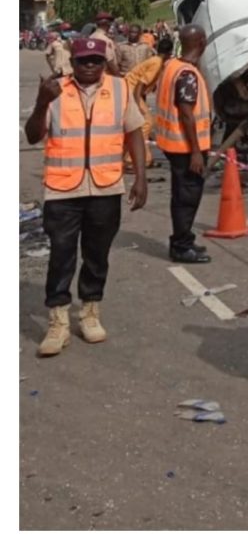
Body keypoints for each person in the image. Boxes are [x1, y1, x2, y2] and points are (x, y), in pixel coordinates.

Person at [24, 36, 148, 357]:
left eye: (96, 60)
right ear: (73, 62)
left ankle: (90, 312)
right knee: (62, 255)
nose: (90, 66)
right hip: (63, 189)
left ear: (104, 61)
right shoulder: (55, 90)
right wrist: (40, 102)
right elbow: (33, 135)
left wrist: (141, 178)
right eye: (83, 61)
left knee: (97, 253)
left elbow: (133, 131)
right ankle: (58, 321)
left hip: (106, 188)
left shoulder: (119, 89)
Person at [154, 24, 213, 263]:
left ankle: (184, 239)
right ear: (202, 43)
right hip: (185, 148)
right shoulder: (187, 75)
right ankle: (181, 245)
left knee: (181, 196)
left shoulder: (172, 66)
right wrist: (196, 152)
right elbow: (187, 113)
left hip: (172, 144)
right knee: (187, 198)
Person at [123, 37, 174, 168]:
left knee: (143, 124)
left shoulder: (155, 61)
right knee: (146, 123)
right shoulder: (157, 63)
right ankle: (131, 159)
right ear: (170, 53)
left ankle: (143, 157)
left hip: (129, 90)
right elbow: (140, 84)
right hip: (130, 91)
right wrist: (136, 106)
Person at [89, 11, 121, 75]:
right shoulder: (105, 40)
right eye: (109, 23)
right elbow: (110, 61)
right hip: (106, 75)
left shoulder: (91, 37)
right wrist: (118, 76)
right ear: (107, 24)